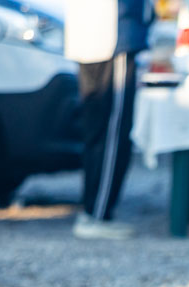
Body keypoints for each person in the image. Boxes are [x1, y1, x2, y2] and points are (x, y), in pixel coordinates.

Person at [64, 0, 153, 240]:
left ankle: (93, 210)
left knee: (96, 133)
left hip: (87, 36)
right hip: (112, 37)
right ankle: (98, 213)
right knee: (114, 133)